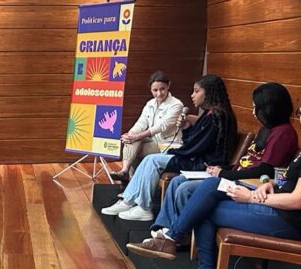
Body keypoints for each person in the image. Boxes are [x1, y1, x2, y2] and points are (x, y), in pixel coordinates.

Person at [127, 149, 301, 269]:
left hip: (286, 219)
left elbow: (297, 201)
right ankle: (174, 242)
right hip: (273, 202)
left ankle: (191, 260)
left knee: (205, 208)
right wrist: (269, 183)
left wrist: (250, 197)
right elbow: (288, 180)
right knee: (213, 184)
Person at [152, 82, 298, 233]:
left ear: (269, 108)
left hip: (249, 184)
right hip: (236, 176)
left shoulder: (283, 133)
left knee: (186, 189)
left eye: (257, 108)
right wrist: (223, 170)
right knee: (177, 181)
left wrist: (223, 174)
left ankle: (179, 233)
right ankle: (165, 227)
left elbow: (264, 169)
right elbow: (247, 162)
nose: (254, 112)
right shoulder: (266, 128)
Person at [102, 74, 238, 221]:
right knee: (150, 159)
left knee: (152, 160)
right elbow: (196, 140)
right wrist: (186, 128)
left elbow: (197, 146)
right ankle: (128, 201)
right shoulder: (212, 113)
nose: (192, 95)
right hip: (195, 157)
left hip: (203, 163)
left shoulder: (217, 116)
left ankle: (143, 207)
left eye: (196, 91)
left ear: (209, 92)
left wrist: (175, 152)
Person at [109, 71, 184, 181]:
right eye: (155, 90)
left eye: (162, 89)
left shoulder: (177, 104)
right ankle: (125, 172)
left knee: (134, 147)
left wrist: (135, 137)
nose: (159, 93)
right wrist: (130, 134)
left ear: (169, 85)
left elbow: (161, 126)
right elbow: (141, 123)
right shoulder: (150, 104)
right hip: (153, 141)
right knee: (131, 141)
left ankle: (129, 178)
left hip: (167, 145)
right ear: (150, 90)